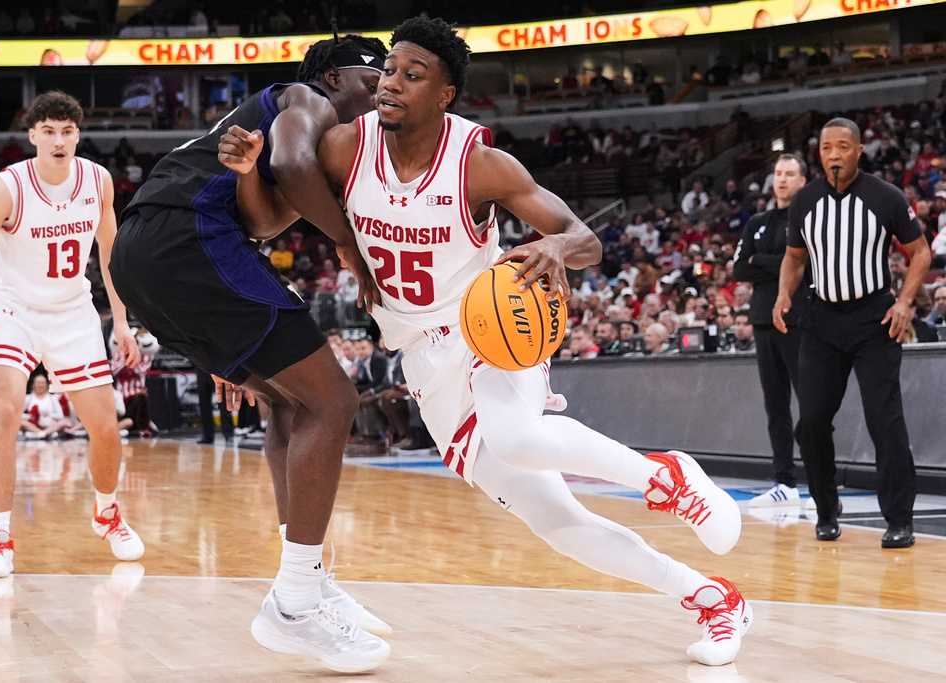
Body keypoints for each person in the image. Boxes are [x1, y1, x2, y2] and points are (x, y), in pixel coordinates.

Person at [227, 16, 750, 667]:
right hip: (422, 359)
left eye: (412, 75)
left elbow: (581, 237)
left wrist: (555, 245)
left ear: (445, 94)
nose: (391, 83)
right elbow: (273, 213)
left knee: (517, 435)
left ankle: (665, 475)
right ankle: (712, 596)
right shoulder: (343, 148)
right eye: (390, 69)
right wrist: (252, 176)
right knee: (558, 523)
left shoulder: (479, 164)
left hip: (490, 331)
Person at [110, 35, 392, 672]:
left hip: (144, 251)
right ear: (331, 77)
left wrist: (249, 179)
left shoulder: (269, 126)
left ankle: (309, 583)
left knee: (290, 408)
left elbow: (265, 223)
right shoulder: (306, 99)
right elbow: (292, 170)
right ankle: (293, 604)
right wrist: (349, 246)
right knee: (335, 399)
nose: (377, 101)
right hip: (189, 240)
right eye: (369, 86)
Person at [0, 91, 145, 579]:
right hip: (12, 307)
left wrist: (120, 319)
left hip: (73, 310)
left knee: (104, 426)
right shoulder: (8, 186)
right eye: (49, 132)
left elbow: (110, 253)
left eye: (67, 132)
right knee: (4, 409)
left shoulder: (97, 180)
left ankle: (107, 513)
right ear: (33, 135)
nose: (59, 141)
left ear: (77, 135)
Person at [774, 117, 931, 548]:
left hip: (874, 320)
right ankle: (827, 510)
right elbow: (794, 257)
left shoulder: (886, 197)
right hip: (821, 321)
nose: (835, 155)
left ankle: (899, 520)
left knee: (885, 420)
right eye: (827, 148)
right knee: (812, 423)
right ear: (819, 153)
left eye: (843, 147)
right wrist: (784, 294)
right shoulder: (804, 201)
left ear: (859, 151)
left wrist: (905, 302)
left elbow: (920, 252)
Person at [733, 154, 808, 508]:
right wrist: (777, 264)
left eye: (790, 174)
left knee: (811, 405)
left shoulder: (810, 218)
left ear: (802, 180)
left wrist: (759, 262)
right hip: (763, 320)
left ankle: (818, 479)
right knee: (775, 406)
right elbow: (738, 269)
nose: (782, 180)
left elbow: (804, 265)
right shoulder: (757, 222)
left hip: (799, 320)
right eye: (778, 173)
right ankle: (784, 482)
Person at [20, 374, 69, 438]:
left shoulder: (53, 398)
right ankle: (41, 433)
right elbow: (19, 414)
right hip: (34, 425)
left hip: (50, 425)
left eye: (43, 383)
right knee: (22, 422)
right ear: (34, 384)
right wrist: (30, 416)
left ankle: (42, 434)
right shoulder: (28, 398)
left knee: (63, 423)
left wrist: (49, 414)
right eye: (38, 383)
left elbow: (61, 416)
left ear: (46, 384)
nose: (40, 385)